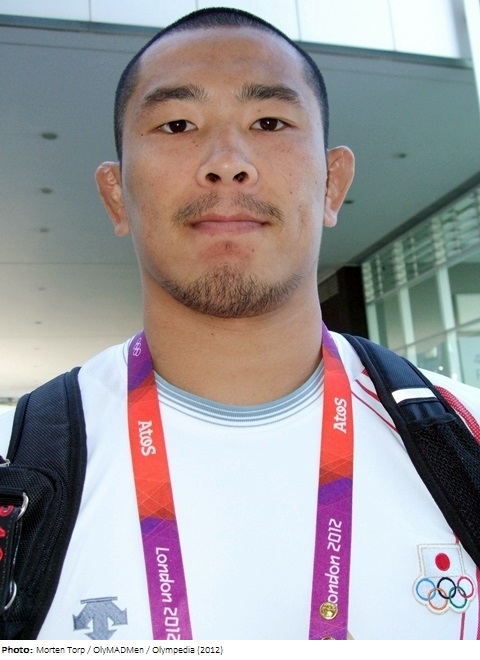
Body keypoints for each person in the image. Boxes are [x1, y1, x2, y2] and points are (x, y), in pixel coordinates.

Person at [1, 6, 480, 641]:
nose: (227, 162)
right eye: (177, 124)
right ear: (117, 196)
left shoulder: (465, 441)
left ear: (333, 184)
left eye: (269, 122)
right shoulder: (17, 468)